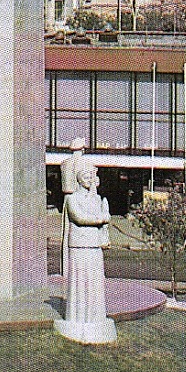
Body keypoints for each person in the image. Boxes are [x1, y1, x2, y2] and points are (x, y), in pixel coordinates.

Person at [55, 157, 116, 344]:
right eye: (86, 176)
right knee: (80, 281)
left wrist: (102, 217)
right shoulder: (72, 199)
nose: (89, 179)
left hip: (93, 245)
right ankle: (78, 316)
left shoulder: (98, 199)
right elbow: (79, 218)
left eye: (91, 176)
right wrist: (101, 218)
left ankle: (94, 315)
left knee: (94, 281)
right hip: (79, 246)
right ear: (79, 179)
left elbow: (103, 216)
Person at [59, 136, 87, 279]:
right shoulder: (86, 164)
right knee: (80, 235)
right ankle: (79, 272)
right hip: (80, 198)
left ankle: (66, 270)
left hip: (67, 199)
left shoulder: (64, 164)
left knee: (66, 234)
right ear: (82, 149)